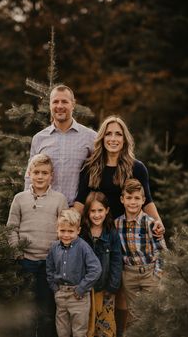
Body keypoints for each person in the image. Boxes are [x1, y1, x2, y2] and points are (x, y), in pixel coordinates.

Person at [74, 115, 165, 336]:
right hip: (99, 232)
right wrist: (69, 225)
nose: (113, 138)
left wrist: (159, 222)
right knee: (105, 285)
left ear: (125, 139)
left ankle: (123, 332)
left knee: (124, 289)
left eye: (118, 134)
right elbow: (80, 200)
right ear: (102, 137)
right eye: (109, 133)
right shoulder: (90, 166)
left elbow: (148, 199)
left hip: (128, 232)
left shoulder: (137, 167)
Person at [7, 154, 68, 337]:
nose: (40, 176)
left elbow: (64, 229)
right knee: (25, 309)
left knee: (46, 311)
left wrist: (58, 256)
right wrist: (17, 252)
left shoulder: (59, 199)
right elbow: (11, 227)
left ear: (52, 176)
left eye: (44, 173)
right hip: (25, 261)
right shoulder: (19, 198)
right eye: (36, 172)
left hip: (49, 264)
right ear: (29, 173)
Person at [25, 84, 97, 206]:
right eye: (55, 102)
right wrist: (28, 206)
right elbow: (29, 176)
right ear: (50, 105)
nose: (59, 106)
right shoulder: (39, 139)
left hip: (75, 211)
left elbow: (98, 173)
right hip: (45, 208)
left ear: (73, 104)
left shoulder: (90, 137)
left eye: (64, 102)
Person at [115, 179, 167, 331]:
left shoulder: (151, 223)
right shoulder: (117, 224)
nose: (133, 202)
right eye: (129, 198)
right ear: (122, 199)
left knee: (153, 312)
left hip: (149, 273)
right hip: (129, 275)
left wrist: (157, 275)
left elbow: (162, 251)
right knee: (135, 314)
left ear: (143, 200)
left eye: (137, 198)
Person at [46, 209, 102, 337]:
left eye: (71, 231)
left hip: (79, 297)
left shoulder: (83, 247)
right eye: (62, 231)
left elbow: (96, 269)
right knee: (62, 331)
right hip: (61, 295)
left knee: (79, 332)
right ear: (57, 229)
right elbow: (49, 268)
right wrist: (55, 288)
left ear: (78, 230)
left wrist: (82, 288)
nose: (66, 235)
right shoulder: (54, 247)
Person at [80, 191, 122, 337]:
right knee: (87, 327)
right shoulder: (82, 233)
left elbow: (117, 261)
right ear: (87, 212)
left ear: (107, 210)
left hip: (105, 289)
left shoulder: (111, 233)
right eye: (93, 211)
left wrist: (113, 286)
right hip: (85, 290)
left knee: (105, 328)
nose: (96, 215)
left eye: (100, 210)